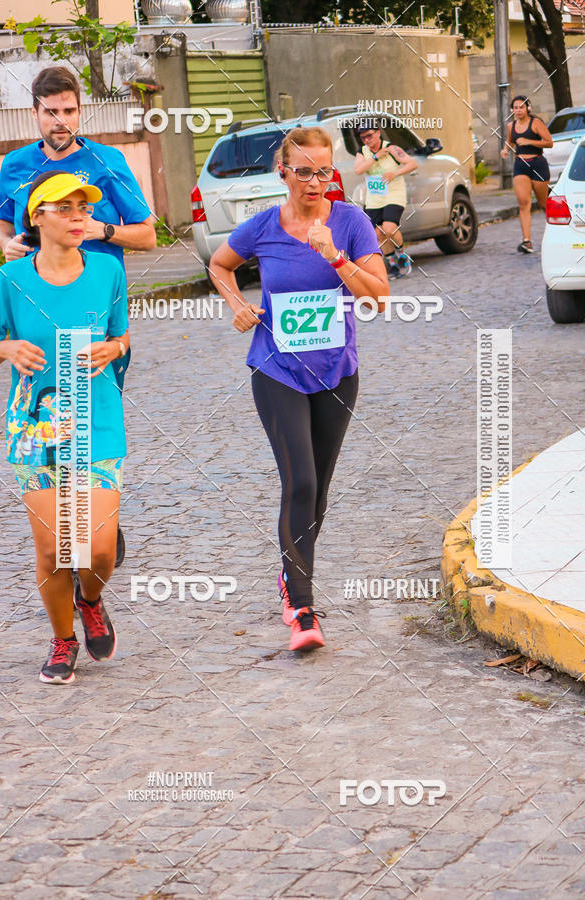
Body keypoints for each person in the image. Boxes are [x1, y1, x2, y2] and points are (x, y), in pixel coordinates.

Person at [209, 126, 389, 652]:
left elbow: (378, 297)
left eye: (324, 171)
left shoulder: (351, 223)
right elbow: (220, 265)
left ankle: (292, 576)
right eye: (303, 170)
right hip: (276, 369)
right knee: (301, 482)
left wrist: (336, 257)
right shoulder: (262, 227)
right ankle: (302, 610)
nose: (315, 181)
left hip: (337, 371)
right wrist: (237, 305)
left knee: (319, 490)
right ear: (281, 172)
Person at [0, 65, 155, 566]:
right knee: (49, 411)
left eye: (69, 111)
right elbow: (1, 229)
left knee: (89, 417)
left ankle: (97, 519)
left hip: (95, 305)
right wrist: (10, 246)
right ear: (34, 113)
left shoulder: (107, 160)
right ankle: (77, 529)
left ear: (79, 112)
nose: (61, 121)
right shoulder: (16, 165)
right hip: (39, 303)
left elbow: (148, 234)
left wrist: (95, 230)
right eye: (51, 112)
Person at [0, 172, 130, 684]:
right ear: (36, 217)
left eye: (82, 208)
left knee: (98, 548)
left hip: (97, 418)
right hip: (35, 426)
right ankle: (63, 638)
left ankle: (90, 598)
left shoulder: (109, 272)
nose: (77, 217)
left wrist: (115, 348)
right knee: (53, 548)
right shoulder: (7, 281)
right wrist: (3, 349)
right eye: (63, 208)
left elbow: (122, 337)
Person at [353, 121, 417, 277]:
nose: (367, 140)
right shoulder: (362, 152)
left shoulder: (392, 148)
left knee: (389, 228)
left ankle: (401, 254)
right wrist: (375, 157)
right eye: (363, 137)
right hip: (374, 199)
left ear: (378, 133)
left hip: (394, 195)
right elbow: (358, 170)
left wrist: (395, 173)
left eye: (369, 135)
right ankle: (392, 263)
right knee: (378, 234)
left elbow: (412, 164)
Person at [501, 95, 553, 253]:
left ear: (528, 108)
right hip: (520, 166)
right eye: (515, 108)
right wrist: (505, 150)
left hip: (537, 164)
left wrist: (530, 141)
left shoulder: (536, 123)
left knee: (543, 203)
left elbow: (549, 142)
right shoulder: (511, 125)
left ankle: (556, 232)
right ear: (512, 110)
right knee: (523, 203)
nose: (518, 110)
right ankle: (527, 241)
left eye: (521, 107)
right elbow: (510, 140)